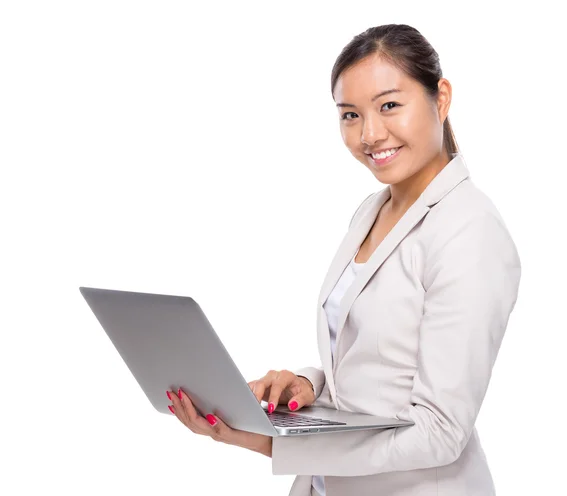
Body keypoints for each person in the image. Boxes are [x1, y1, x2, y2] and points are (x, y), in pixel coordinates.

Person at [167, 23, 521, 496]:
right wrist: (308, 387)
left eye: (389, 105)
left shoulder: (469, 231)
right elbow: (376, 368)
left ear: (441, 98)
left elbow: (440, 432)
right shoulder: (373, 210)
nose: (370, 134)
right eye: (350, 115)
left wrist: (271, 442)